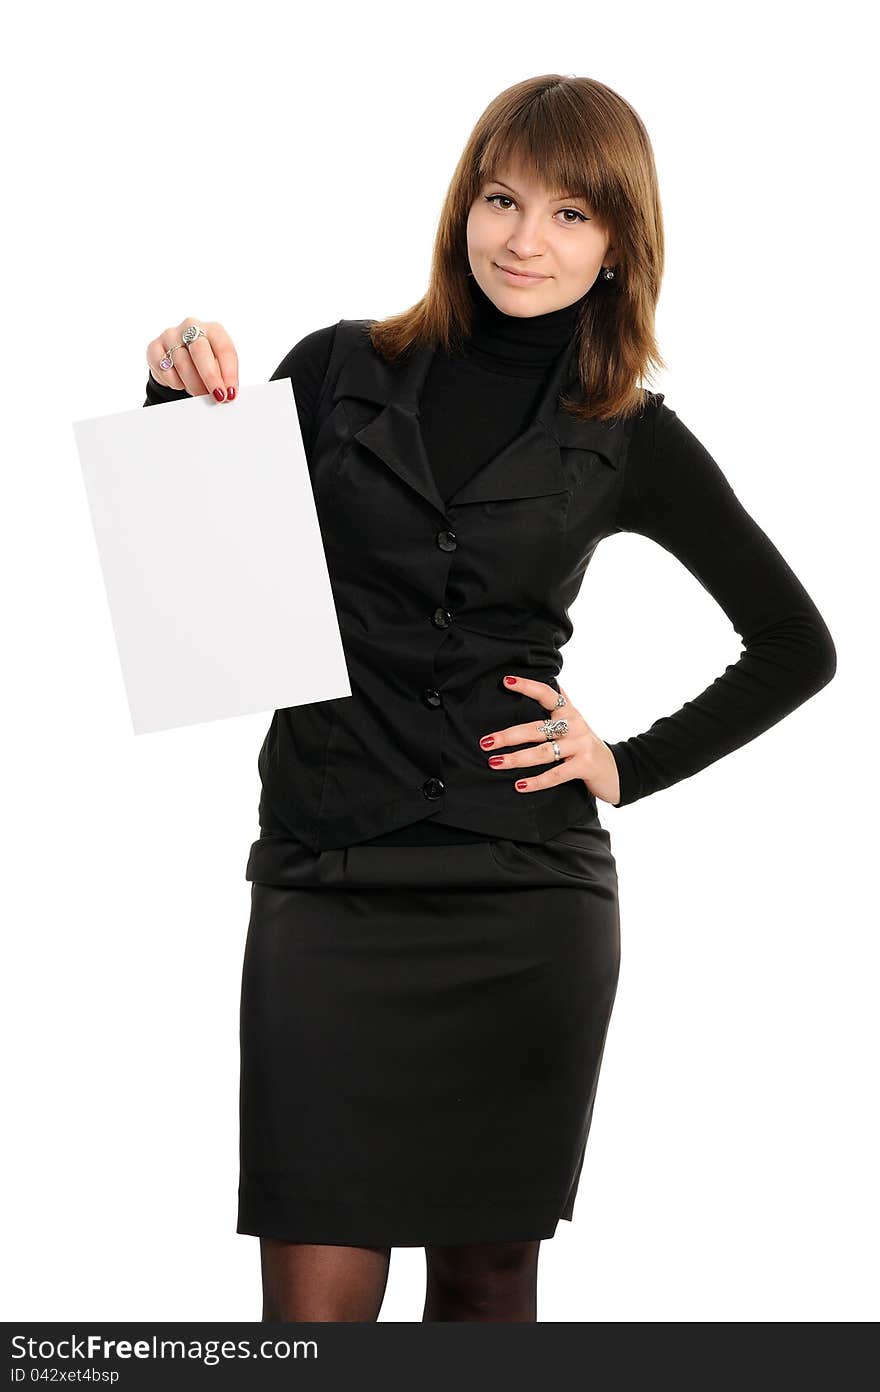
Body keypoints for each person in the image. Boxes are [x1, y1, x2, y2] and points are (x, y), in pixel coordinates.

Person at [143, 74, 836, 1323]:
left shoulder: (627, 431)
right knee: (311, 1308)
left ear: (620, 243)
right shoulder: (338, 368)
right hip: (327, 871)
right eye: (503, 200)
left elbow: (796, 644)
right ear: (462, 207)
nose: (526, 240)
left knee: (485, 1280)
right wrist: (173, 407)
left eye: (572, 215)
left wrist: (621, 762)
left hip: (524, 898)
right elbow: (207, 624)